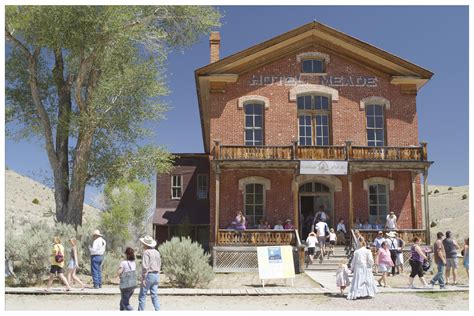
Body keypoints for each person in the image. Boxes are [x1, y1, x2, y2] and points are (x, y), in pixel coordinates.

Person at [138, 236, 161, 311]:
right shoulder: (157, 252)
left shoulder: (146, 252)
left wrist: (143, 278)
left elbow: (145, 266)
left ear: (146, 245)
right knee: (154, 295)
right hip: (156, 275)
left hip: (149, 275)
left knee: (142, 295)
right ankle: (158, 310)